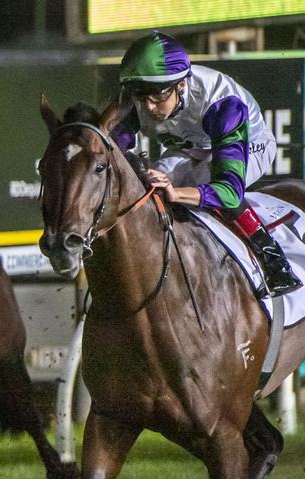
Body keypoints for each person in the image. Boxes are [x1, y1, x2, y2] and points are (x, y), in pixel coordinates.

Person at [112, 31, 300, 297]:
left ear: (180, 84)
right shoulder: (140, 96)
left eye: (157, 96)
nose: (148, 107)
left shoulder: (223, 104)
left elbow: (228, 190)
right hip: (190, 145)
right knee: (150, 186)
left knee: (199, 183)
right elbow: (111, 149)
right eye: (140, 96)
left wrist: (177, 193)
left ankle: (273, 261)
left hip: (249, 145)